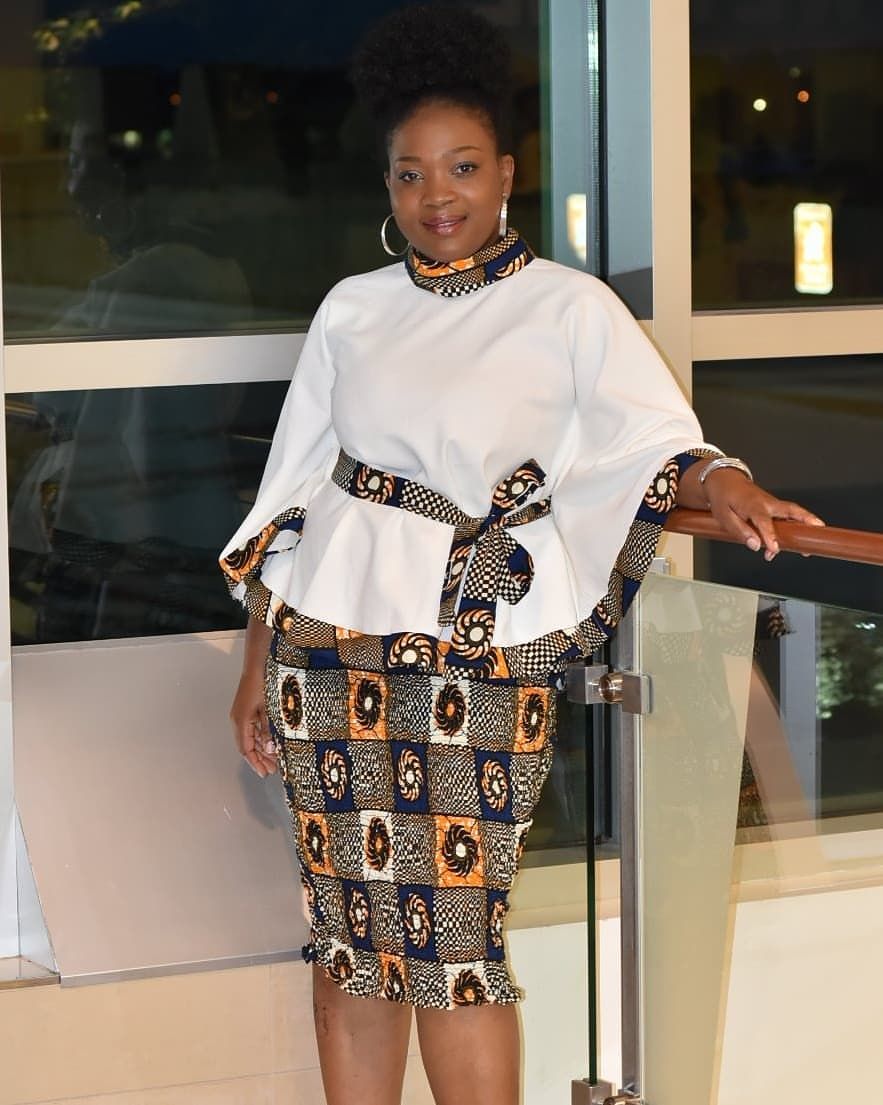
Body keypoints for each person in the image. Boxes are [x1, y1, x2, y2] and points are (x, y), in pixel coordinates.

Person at [220, 8, 823, 1104]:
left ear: (506, 175)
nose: (435, 195)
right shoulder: (352, 310)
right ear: (386, 186)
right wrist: (255, 662)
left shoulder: (569, 307)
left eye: (460, 167)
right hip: (327, 650)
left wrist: (724, 483)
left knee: (455, 945)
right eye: (410, 174)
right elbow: (294, 492)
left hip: (480, 652)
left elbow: (654, 442)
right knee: (349, 935)